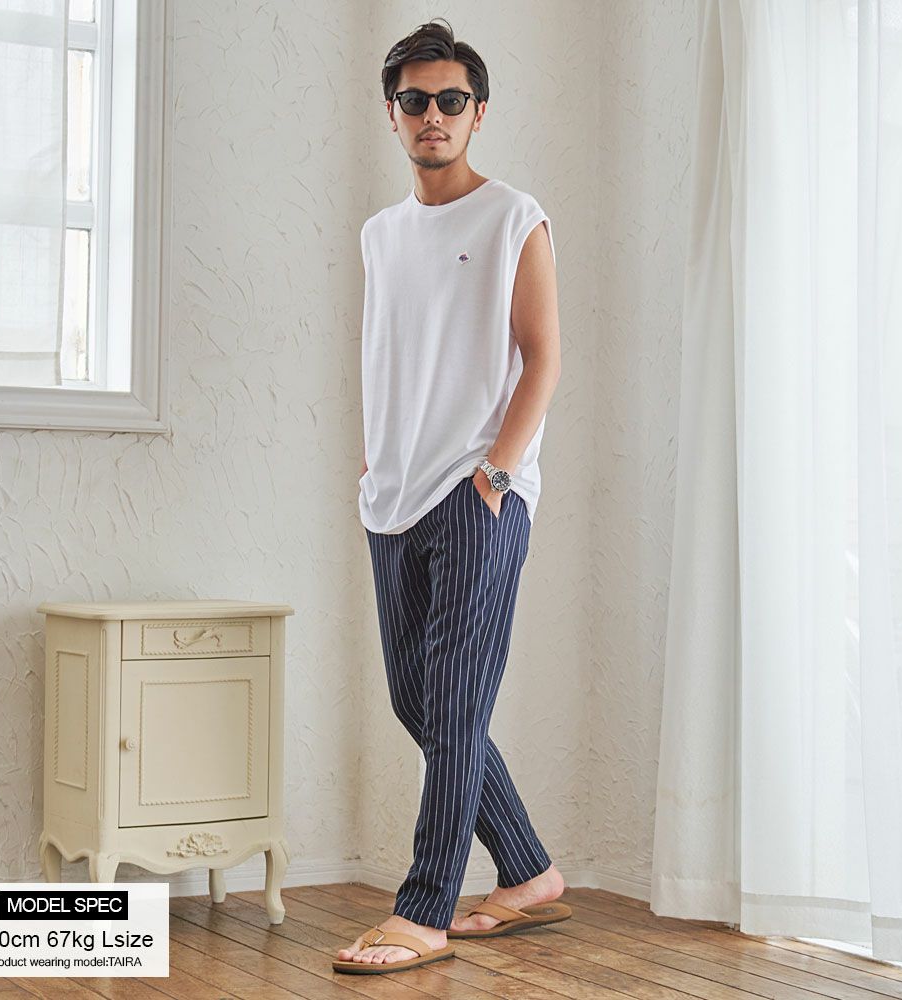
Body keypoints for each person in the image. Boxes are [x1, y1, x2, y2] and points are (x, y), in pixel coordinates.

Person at [334, 18, 568, 975]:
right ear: (392, 115)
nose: (433, 114)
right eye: (415, 100)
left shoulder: (515, 217)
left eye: (451, 100)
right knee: (418, 699)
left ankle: (424, 907)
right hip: (392, 494)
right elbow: (394, 355)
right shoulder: (380, 234)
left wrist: (497, 474)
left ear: (478, 112)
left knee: (459, 702)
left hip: (480, 492)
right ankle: (529, 871)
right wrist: (374, 459)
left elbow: (543, 357)